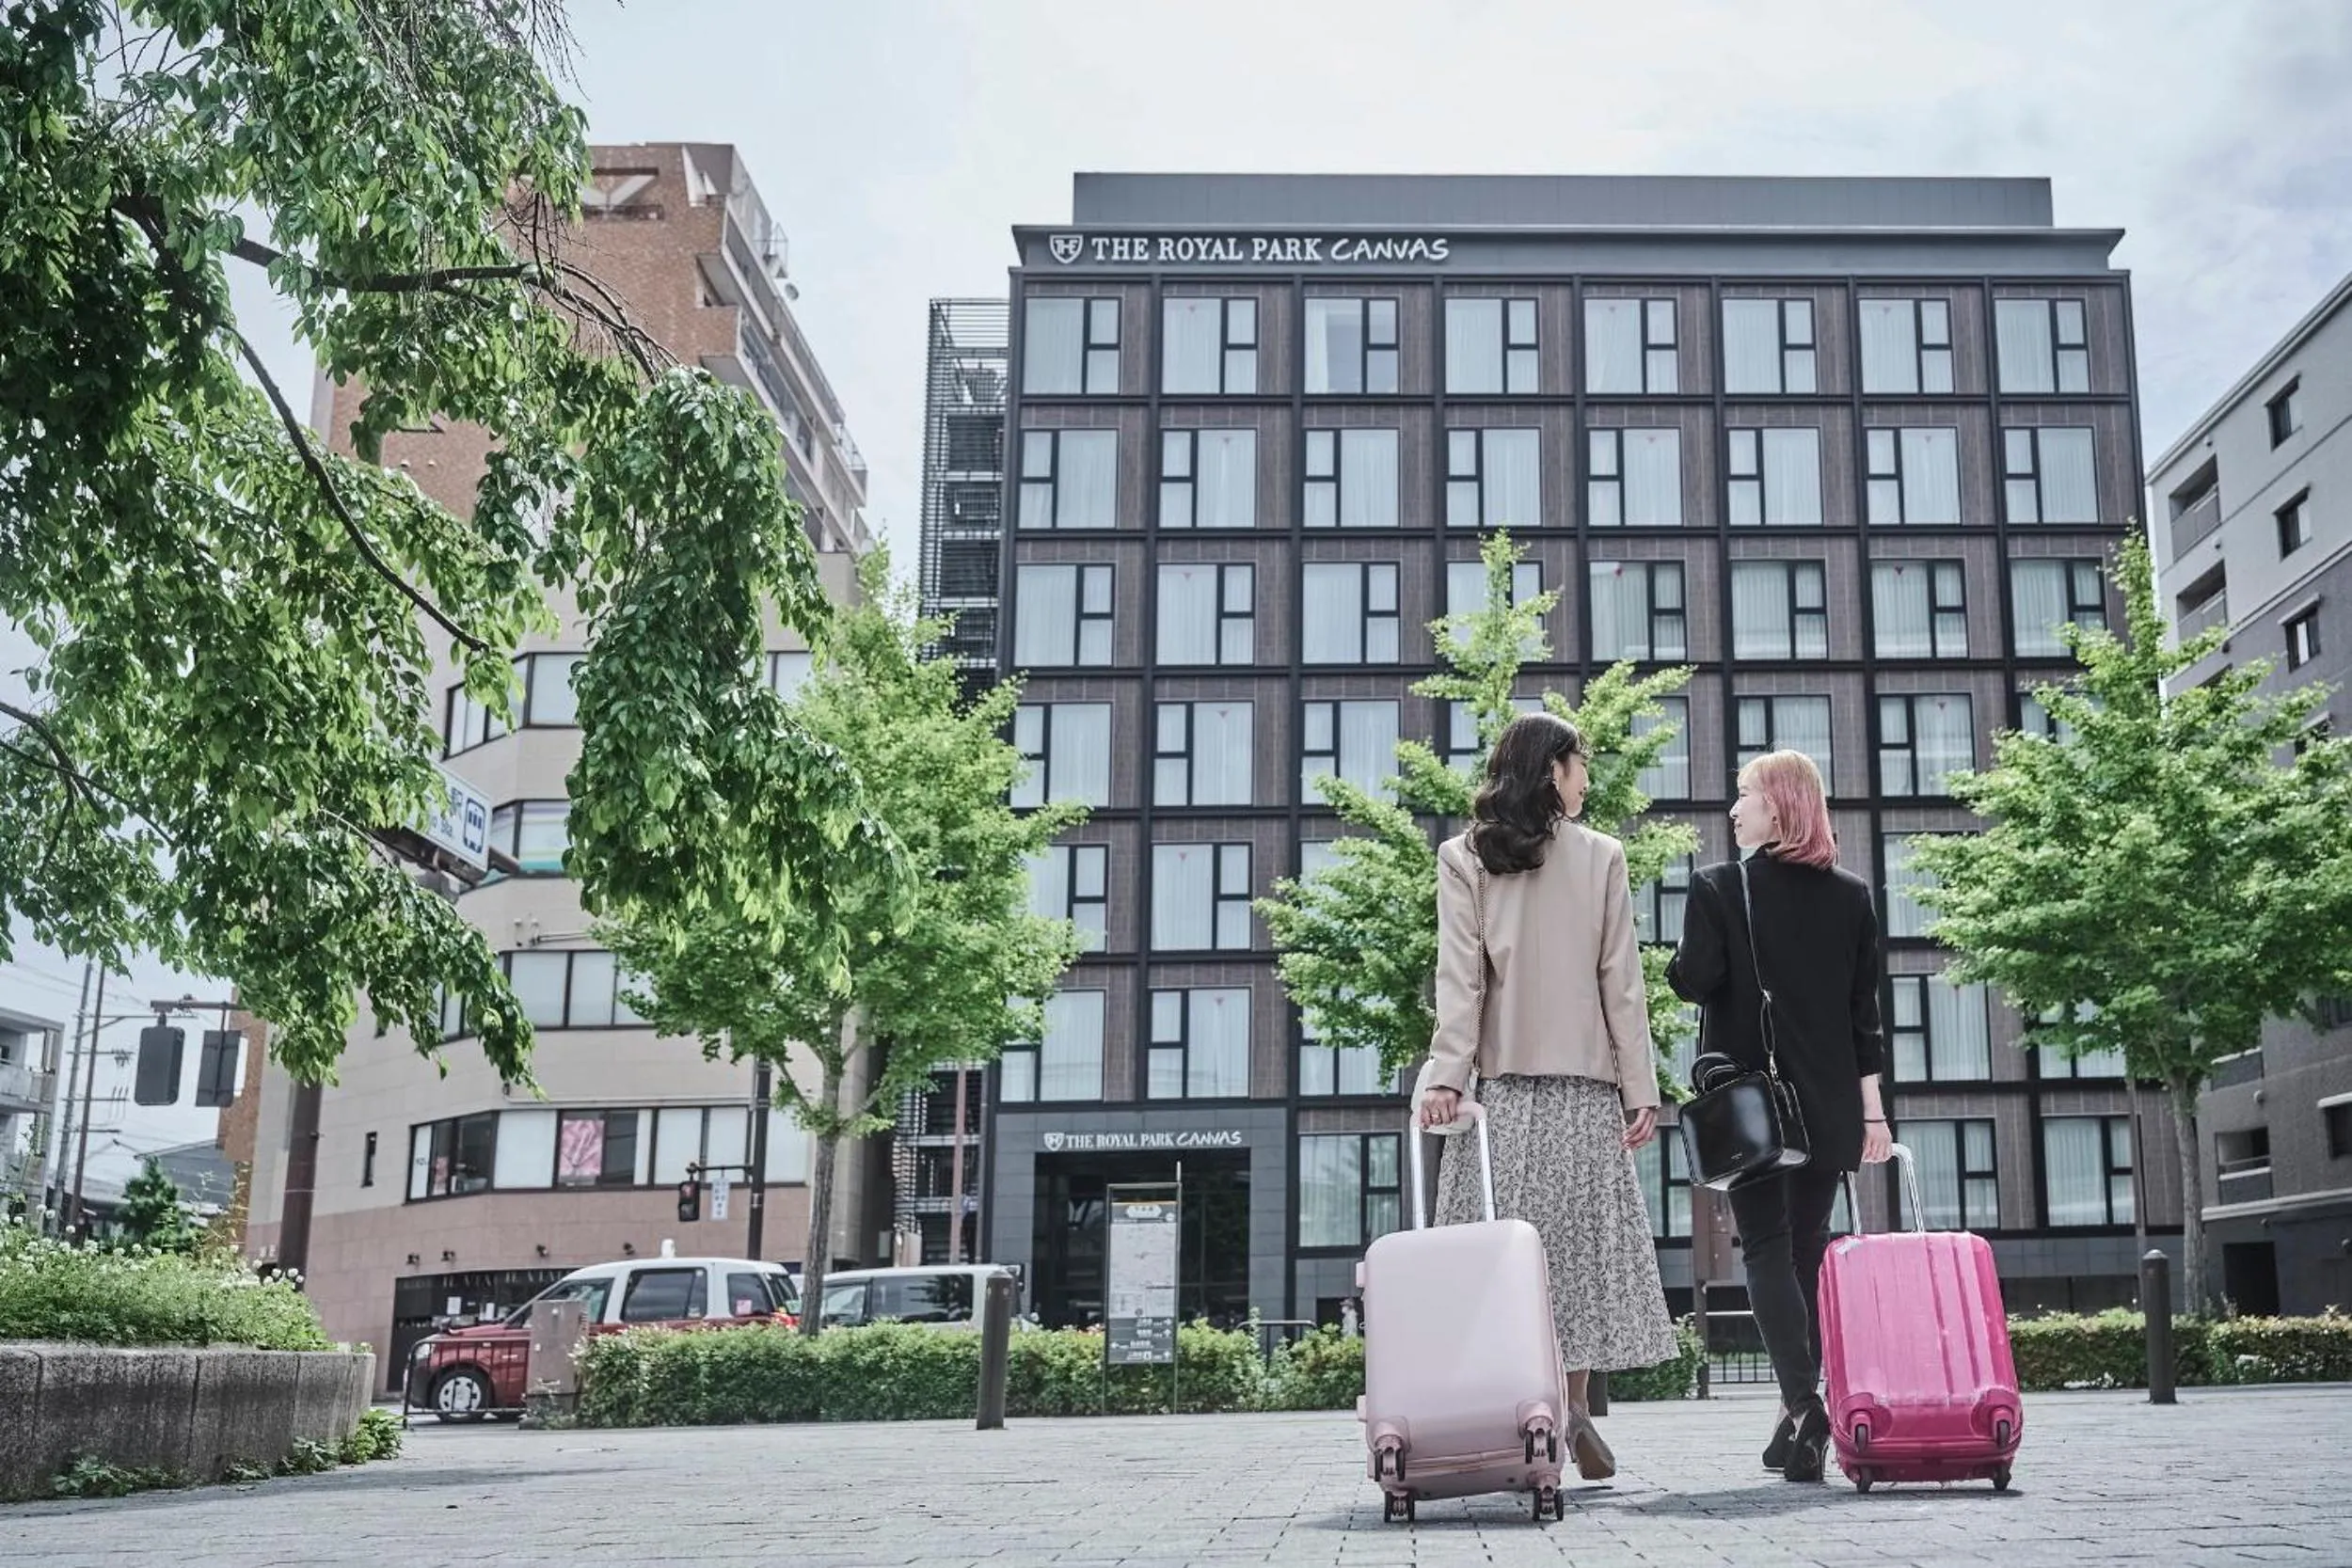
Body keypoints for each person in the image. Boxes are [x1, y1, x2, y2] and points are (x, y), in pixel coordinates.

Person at [1422, 712, 1678, 1483]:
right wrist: (1641, 1087)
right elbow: (1621, 985)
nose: (1587, 780)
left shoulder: (1465, 857)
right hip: (1586, 1092)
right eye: (1579, 766)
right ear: (1550, 771)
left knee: (1496, 1262)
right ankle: (1571, 1407)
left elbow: (1461, 981)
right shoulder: (1603, 856)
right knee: (1578, 1261)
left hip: (1500, 1097)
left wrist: (1445, 1075)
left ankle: (1518, 1409)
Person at [1666, 749, 1890, 1483]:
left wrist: (1677, 959)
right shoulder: (1854, 895)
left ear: (1780, 807)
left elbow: (1693, 980)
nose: (1734, 810)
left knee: (1764, 1248)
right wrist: (1874, 1118)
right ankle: (1795, 1424)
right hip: (1826, 1109)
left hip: (1755, 1106)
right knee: (1807, 1251)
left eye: (1745, 796)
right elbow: (1866, 1023)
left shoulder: (1719, 886)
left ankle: (1802, 1405)